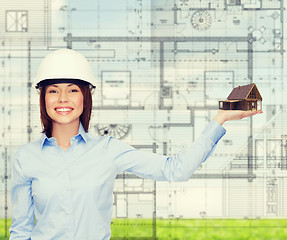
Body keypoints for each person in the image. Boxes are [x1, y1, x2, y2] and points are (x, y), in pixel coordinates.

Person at [9, 49, 262, 240]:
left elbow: (176, 169)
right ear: (43, 98)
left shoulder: (107, 150)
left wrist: (220, 118)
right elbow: (21, 230)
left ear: (85, 97)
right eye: (53, 90)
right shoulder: (26, 158)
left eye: (72, 90)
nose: (63, 98)